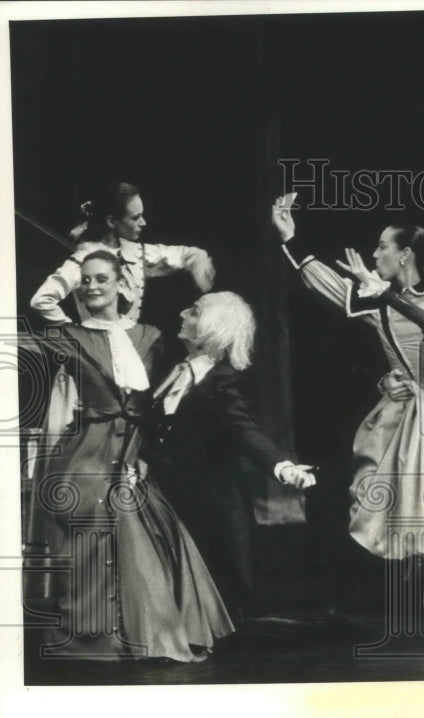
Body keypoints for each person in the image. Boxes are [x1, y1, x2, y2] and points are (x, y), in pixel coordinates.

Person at [271, 193, 424, 613]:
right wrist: (290, 239)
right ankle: (399, 600)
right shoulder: (373, 296)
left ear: (406, 254)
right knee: (377, 494)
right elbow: (328, 284)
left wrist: (385, 295)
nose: (375, 254)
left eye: (383, 246)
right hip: (400, 406)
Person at [22, 250, 233, 661]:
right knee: (96, 524)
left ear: (122, 284)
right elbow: (40, 301)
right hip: (86, 452)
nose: (92, 286)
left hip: (132, 451)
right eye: (85, 280)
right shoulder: (70, 334)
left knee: (153, 530)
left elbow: (156, 405)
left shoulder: (149, 336)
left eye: (102, 278)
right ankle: (102, 639)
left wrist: (144, 455)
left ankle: (153, 633)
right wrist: (74, 262)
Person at [140, 291, 316, 623]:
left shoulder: (222, 382)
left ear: (212, 326)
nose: (181, 313)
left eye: (193, 311)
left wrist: (282, 467)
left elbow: (243, 430)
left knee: (227, 605)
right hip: (170, 498)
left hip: (212, 506)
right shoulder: (174, 371)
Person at [30, 180, 215, 325]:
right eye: (135, 218)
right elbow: (41, 300)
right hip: (95, 353)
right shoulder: (83, 262)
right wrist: (76, 334)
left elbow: (182, 254)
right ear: (112, 221)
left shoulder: (136, 252)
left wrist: (197, 261)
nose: (143, 223)